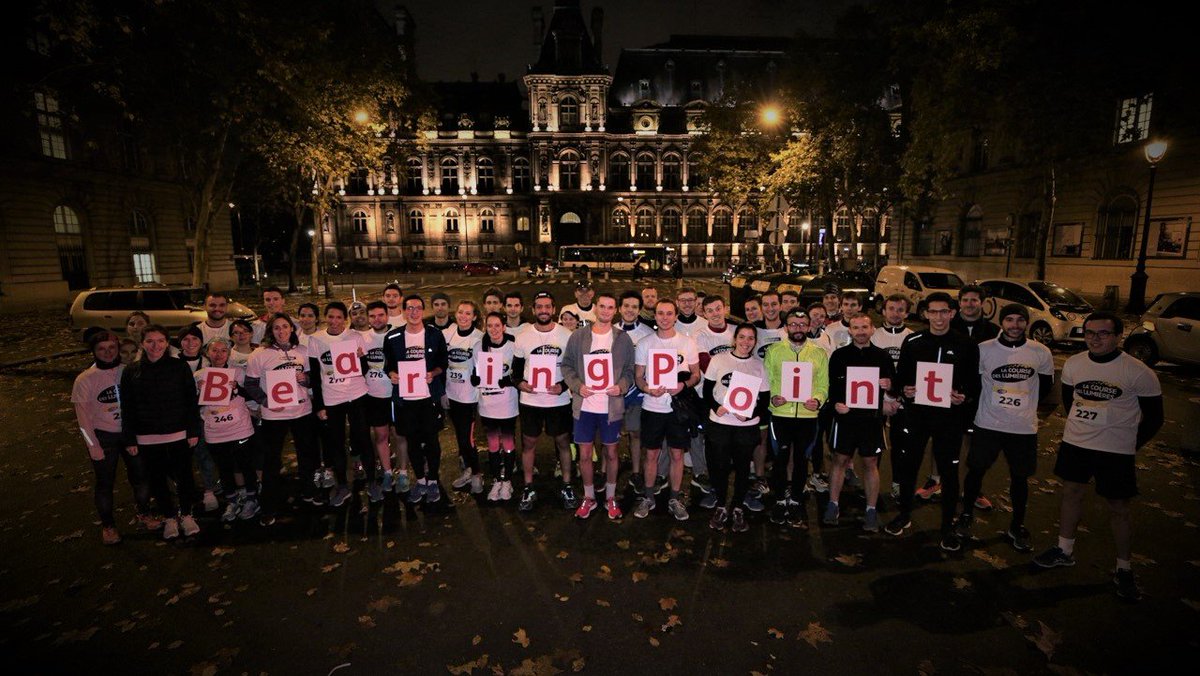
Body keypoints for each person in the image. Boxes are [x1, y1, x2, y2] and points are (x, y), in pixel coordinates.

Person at [1034, 312, 1163, 602]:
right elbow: (1071, 402)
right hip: (1076, 444)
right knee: (1071, 493)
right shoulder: (1075, 364)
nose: (1095, 338)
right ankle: (1064, 550)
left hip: (1115, 451)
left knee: (1119, 507)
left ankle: (1124, 567)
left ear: (1118, 336)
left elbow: (1155, 418)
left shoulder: (1138, 372)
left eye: (1103, 333)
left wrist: (1129, 443)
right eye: (1090, 332)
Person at [886, 292, 980, 551]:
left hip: (949, 419)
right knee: (909, 466)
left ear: (952, 313)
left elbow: (974, 383)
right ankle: (904, 514)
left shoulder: (967, 345)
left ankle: (947, 526)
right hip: (917, 416)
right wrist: (903, 389)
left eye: (943, 311)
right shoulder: (913, 341)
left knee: (949, 472)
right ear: (925, 314)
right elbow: (900, 377)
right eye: (933, 312)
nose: (938, 317)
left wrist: (964, 396)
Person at [956, 304, 1054, 551]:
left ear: (1026, 323)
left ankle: (1017, 525)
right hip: (988, 424)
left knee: (1020, 478)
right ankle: (966, 514)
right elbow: (974, 384)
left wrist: (1030, 413)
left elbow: (1046, 389)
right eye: (1009, 319)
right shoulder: (984, 349)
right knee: (976, 470)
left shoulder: (1040, 352)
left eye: (1020, 320)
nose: (1014, 325)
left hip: (1022, 428)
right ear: (1001, 322)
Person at [119, 325, 202, 540]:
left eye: (160, 341)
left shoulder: (179, 366)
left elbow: (190, 401)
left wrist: (193, 430)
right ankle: (169, 517)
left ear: (167, 343)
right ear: (142, 343)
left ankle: (186, 514)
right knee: (157, 479)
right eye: (150, 341)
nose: (155, 346)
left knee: (184, 477)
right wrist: (129, 437)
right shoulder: (131, 371)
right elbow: (126, 407)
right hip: (146, 435)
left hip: (178, 432)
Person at [73, 332, 153, 545]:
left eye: (111, 348)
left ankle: (144, 513)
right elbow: (83, 419)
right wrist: (93, 446)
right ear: (94, 351)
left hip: (130, 434)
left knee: (141, 477)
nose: (107, 353)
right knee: (105, 483)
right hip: (104, 436)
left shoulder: (128, 372)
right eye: (101, 349)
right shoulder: (85, 379)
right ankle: (108, 526)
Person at [562, 293, 634, 520]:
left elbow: (630, 371)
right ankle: (589, 496)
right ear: (595, 309)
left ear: (616, 311)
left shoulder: (623, 339)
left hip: (610, 406)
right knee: (584, 454)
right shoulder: (578, 336)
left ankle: (611, 496)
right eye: (602, 306)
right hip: (585, 405)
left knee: (611, 452)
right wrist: (577, 386)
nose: (605, 311)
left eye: (610, 307)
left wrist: (621, 386)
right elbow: (567, 365)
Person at [244, 313, 319, 521]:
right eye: (276, 328)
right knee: (271, 460)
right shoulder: (259, 354)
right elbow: (250, 384)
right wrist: (265, 401)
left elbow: (314, 380)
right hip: (274, 416)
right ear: (270, 331)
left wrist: (305, 379)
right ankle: (269, 503)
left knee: (306, 454)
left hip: (302, 412)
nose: (281, 331)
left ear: (291, 329)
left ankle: (308, 490)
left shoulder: (302, 351)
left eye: (285, 327)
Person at [824, 314, 895, 532]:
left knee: (870, 463)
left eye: (865, 327)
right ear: (850, 331)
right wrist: (836, 403)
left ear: (872, 329)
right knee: (839, 460)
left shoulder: (882, 357)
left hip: (871, 420)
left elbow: (893, 388)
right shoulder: (839, 356)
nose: (861, 331)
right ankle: (833, 504)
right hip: (845, 419)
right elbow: (832, 387)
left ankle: (871, 510)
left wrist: (889, 385)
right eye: (856, 327)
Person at [633, 299, 701, 521]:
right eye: (660, 313)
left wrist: (682, 385)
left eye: (669, 313)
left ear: (675, 315)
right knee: (651, 454)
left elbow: (695, 375)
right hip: (652, 407)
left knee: (676, 454)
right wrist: (646, 389)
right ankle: (649, 496)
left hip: (677, 409)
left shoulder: (687, 343)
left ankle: (674, 497)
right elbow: (638, 377)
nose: (664, 317)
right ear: (656, 316)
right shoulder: (645, 344)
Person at [764, 310, 829, 529]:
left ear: (809, 326)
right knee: (780, 459)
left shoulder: (819, 353)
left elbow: (823, 384)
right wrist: (774, 396)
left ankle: (796, 501)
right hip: (780, 415)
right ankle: (780, 499)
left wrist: (818, 400)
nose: (798, 328)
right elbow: (768, 379)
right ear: (786, 327)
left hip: (808, 416)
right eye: (793, 324)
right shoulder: (774, 351)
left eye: (802, 324)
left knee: (802, 459)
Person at [703, 324, 770, 533]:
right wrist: (717, 407)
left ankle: (739, 507)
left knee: (742, 469)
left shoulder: (759, 366)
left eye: (751, 338)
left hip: (746, 426)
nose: (746, 342)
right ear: (735, 339)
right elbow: (707, 392)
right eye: (742, 337)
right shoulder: (719, 360)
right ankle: (722, 506)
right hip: (720, 424)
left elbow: (765, 399)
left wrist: (750, 413)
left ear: (755, 341)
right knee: (720, 467)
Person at [514, 291, 576, 511]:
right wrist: (520, 383)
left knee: (563, 443)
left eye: (547, 306)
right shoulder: (523, 336)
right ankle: (528, 486)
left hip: (557, 401)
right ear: (533, 310)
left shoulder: (567, 335)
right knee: (529, 444)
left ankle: (567, 484)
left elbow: (574, 369)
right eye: (539, 306)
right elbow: (516, 371)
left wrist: (564, 386)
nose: (543, 310)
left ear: (554, 309)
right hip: (531, 401)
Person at [308, 302, 374, 508]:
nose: (335, 321)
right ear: (325, 317)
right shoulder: (316, 340)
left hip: (357, 395)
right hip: (332, 398)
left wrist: (362, 359)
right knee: (335, 443)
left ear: (345, 320)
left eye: (339, 317)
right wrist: (319, 405)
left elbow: (363, 369)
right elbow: (315, 377)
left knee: (363, 439)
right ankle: (343, 486)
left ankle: (372, 482)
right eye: (331, 316)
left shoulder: (354, 337)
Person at [384, 295, 448, 505]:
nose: (413, 312)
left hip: (429, 399)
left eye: (418, 308)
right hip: (405, 400)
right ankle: (420, 480)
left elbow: (442, 363)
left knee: (431, 440)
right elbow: (388, 366)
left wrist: (434, 373)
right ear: (403, 311)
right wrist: (392, 374)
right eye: (409, 308)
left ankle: (433, 481)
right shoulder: (392, 337)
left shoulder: (435, 335)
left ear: (423, 310)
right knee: (411, 441)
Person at [946, 284, 1002, 509]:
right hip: (949, 391)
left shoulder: (994, 330)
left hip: (980, 394)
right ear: (959, 302)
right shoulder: (947, 326)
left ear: (982, 303)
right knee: (945, 439)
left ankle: (972, 489)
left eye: (974, 300)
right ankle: (939, 482)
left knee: (973, 442)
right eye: (965, 300)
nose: (969, 304)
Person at [198, 337, 260, 522]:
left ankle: (251, 499)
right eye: (214, 350)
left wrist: (238, 389)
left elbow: (252, 395)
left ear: (229, 353)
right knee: (224, 468)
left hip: (239, 428)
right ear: (207, 353)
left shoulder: (239, 372)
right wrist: (198, 391)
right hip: (215, 431)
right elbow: (192, 404)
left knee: (245, 465)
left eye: (223, 351)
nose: (219, 354)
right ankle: (232, 501)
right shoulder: (199, 376)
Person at [692, 295, 737, 508]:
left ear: (725, 308)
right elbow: (705, 365)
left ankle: (737, 488)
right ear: (704, 313)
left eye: (718, 309)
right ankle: (715, 485)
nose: (715, 314)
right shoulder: (700, 335)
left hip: (738, 397)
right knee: (713, 443)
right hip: (708, 397)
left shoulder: (737, 331)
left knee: (735, 444)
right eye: (709, 311)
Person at [871, 294, 913, 501]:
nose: (895, 313)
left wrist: (898, 396)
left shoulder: (913, 337)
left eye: (900, 309)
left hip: (902, 401)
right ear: (883, 310)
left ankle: (898, 483)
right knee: (875, 446)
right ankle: (873, 486)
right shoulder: (874, 335)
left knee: (901, 446)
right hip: (878, 400)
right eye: (891, 308)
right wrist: (882, 400)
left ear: (907, 312)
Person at [474, 312, 519, 502]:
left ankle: (507, 480)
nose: (493, 329)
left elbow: (518, 373)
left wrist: (507, 381)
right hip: (487, 404)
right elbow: (475, 374)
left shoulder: (512, 346)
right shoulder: (479, 347)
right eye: (489, 326)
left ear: (504, 327)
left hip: (507, 404)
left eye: (497, 325)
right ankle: (496, 480)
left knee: (508, 443)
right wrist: (475, 379)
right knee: (492, 444)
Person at [360, 301, 401, 499]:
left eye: (380, 315)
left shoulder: (397, 335)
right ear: (368, 318)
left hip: (395, 394)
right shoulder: (360, 339)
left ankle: (402, 473)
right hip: (374, 396)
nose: (377, 319)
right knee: (381, 436)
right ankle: (386, 472)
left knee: (400, 435)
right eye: (372, 316)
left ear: (387, 316)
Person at [444, 301, 485, 494]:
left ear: (475, 317)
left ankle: (477, 474)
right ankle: (468, 470)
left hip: (469, 397)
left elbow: (484, 369)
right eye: (460, 312)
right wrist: (442, 392)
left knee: (467, 439)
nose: (463, 316)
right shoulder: (449, 333)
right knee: (459, 438)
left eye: (468, 313)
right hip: (451, 394)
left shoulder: (479, 338)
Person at [617, 291, 655, 490]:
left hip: (637, 393)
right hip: (615, 392)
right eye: (626, 306)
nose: (630, 310)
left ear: (639, 309)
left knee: (636, 434)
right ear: (619, 308)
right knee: (611, 434)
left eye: (634, 307)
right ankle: (607, 472)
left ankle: (636, 472)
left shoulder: (648, 333)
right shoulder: (610, 330)